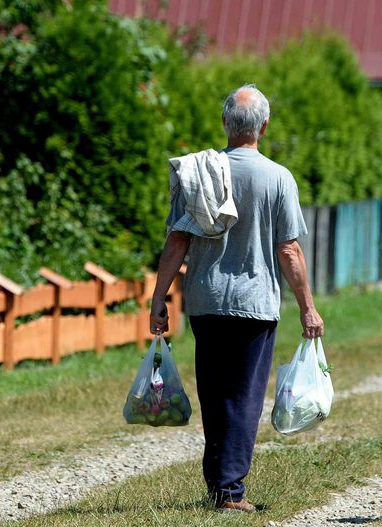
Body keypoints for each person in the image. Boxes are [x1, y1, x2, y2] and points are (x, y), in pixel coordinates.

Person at [149, 84, 324, 513]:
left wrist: (158, 298)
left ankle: (220, 485)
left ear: (226, 123)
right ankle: (231, 492)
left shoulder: (200, 172)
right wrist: (307, 306)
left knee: (214, 392)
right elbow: (289, 250)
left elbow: (176, 243)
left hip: (206, 301)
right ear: (264, 126)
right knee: (244, 395)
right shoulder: (278, 178)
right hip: (255, 304)